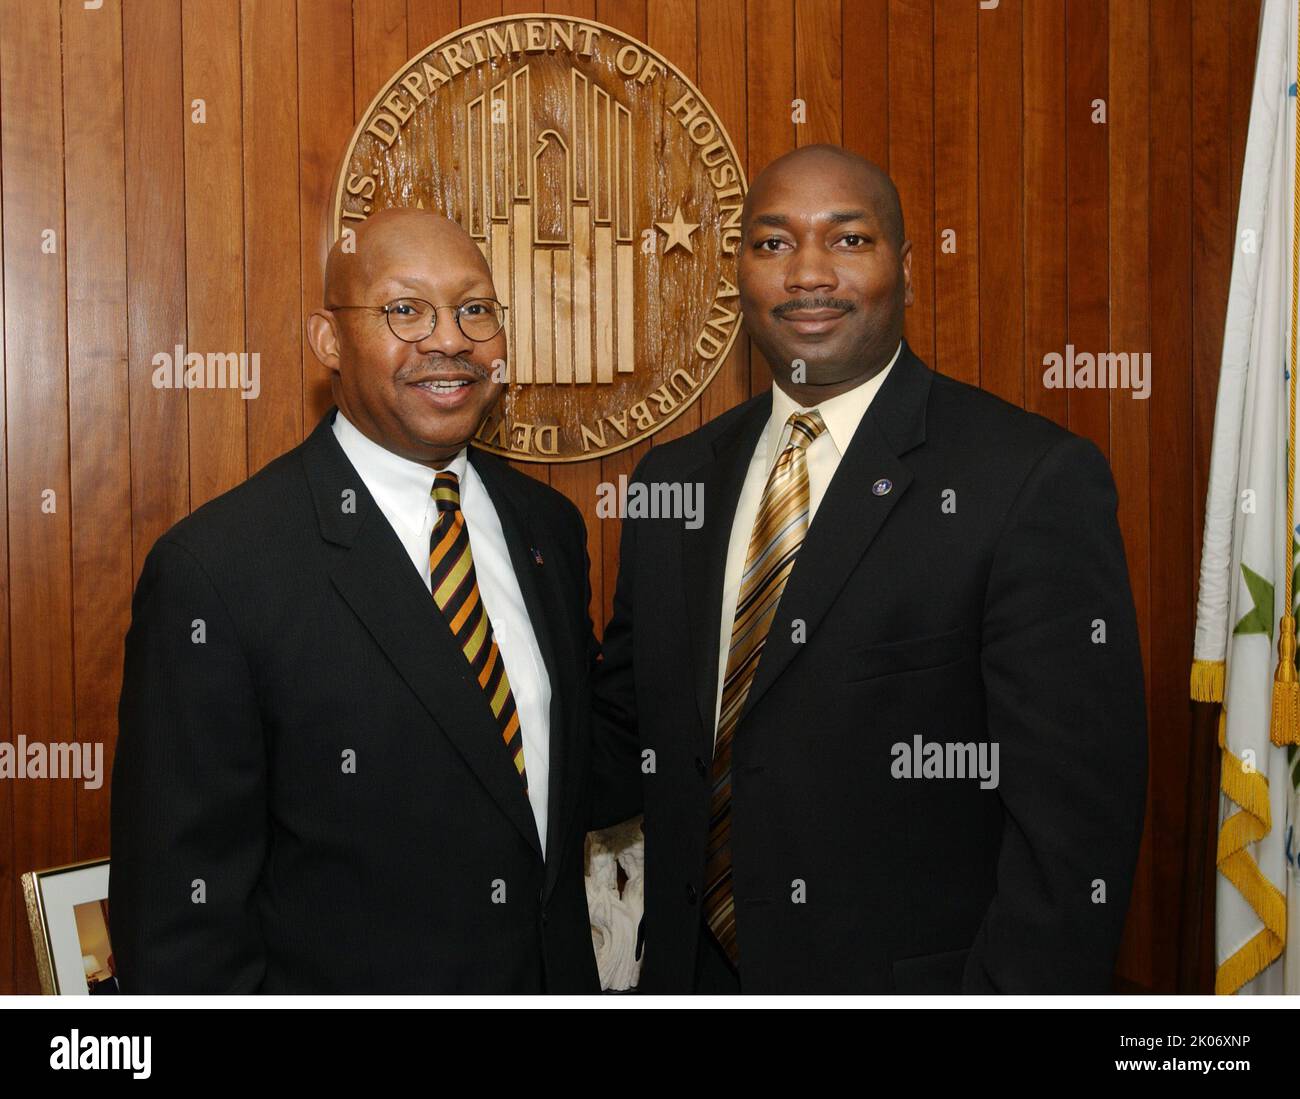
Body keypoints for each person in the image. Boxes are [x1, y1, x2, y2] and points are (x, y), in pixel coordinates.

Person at [591, 144, 1148, 994]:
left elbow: (1073, 837)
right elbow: (628, 731)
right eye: (773, 244)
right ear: (738, 273)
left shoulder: (1026, 480)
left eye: (848, 240)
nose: (808, 273)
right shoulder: (675, 483)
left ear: (908, 270)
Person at [110, 209, 601, 993]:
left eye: (475, 309)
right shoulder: (219, 571)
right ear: (328, 340)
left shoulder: (548, 529)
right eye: (405, 310)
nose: (450, 339)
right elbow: (180, 917)